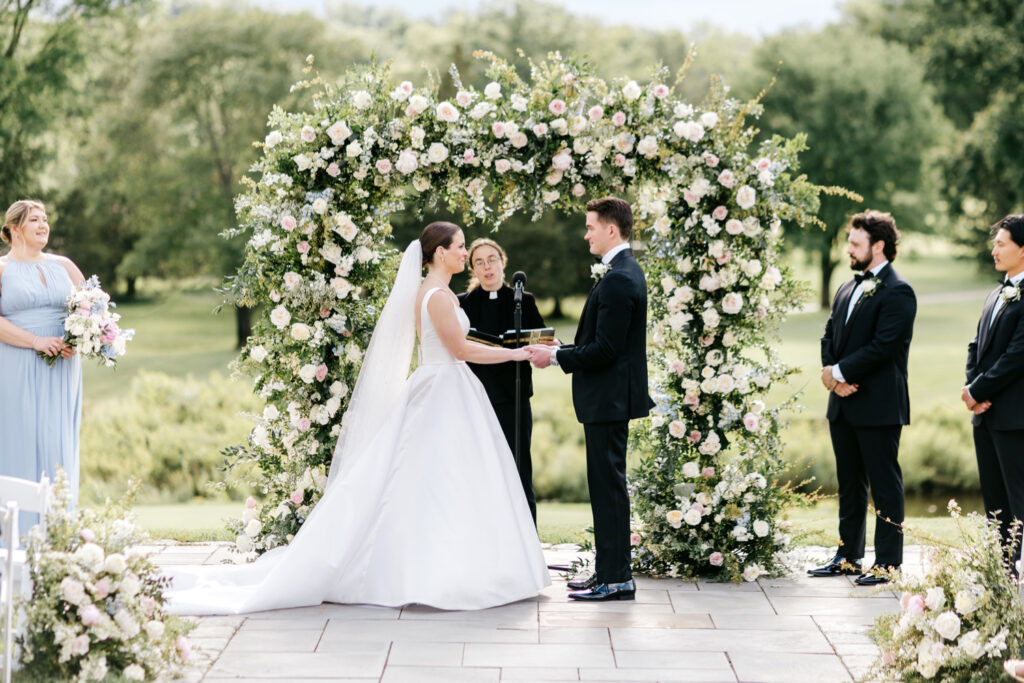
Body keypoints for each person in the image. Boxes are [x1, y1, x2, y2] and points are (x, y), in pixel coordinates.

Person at [165, 222, 549, 615]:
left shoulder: (439, 293)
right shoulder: (436, 296)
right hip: (444, 385)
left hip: (447, 386)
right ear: (438, 253)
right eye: (459, 247)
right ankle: (433, 572)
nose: (463, 254)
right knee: (439, 477)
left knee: (441, 478)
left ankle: (458, 564)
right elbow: (461, 349)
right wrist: (516, 353)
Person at [528, 197, 652, 601]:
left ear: (610, 230)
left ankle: (616, 578)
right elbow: (602, 342)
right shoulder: (622, 271)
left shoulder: (618, 278)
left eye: (590, 227)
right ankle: (607, 572)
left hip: (609, 400)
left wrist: (556, 356)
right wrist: (566, 346)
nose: (586, 234)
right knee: (605, 487)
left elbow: (606, 351)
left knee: (608, 488)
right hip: (608, 399)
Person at [809, 210, 916, 587]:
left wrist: (840, 373)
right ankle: (848, 555)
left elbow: (884, 347)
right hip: (843, 404)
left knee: (884, 485)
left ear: (879, 246)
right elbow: (829, 335)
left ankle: (888, 563)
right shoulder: (846, 287)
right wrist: (831, 374)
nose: (848, 250)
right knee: (849, 483)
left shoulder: (898, 291)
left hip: (878, 405)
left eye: (855, 243)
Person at [0, 200, 83, 532]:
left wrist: (80, 340)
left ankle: (60, 529)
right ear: (15, 229)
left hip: (63, 368)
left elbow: (95, 308)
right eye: (34, 219)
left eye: (45, 219)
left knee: (58, 441)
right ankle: (16, 532)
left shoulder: (63, 265)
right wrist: (35, 341)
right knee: (19, 438)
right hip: (17, 363)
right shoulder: (2, 269)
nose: (43, 224)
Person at [458, 238, 546, 523]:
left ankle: (528, 540)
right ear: (472, 269)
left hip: (514, 398)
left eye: (492, 259)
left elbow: (544, 339)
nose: (487, 267)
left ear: (503, 262)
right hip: (476, 398)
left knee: (520, 469)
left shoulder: (523, 301)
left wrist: (545, 345)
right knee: (480, 470)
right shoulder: (463, 304)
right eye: (480, 262)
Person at [962, 214, 1024, 566]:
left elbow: (1018, 355)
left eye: (1001, 244)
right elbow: (977, 346)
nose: (994, 250)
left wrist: (980, 390)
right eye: (995, 243)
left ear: (1023, 250)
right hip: (985, 416)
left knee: (1019, 502)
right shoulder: (997, 292)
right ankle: (1001, 574)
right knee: (995, 505)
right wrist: (972, 388)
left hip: (1014, 417)